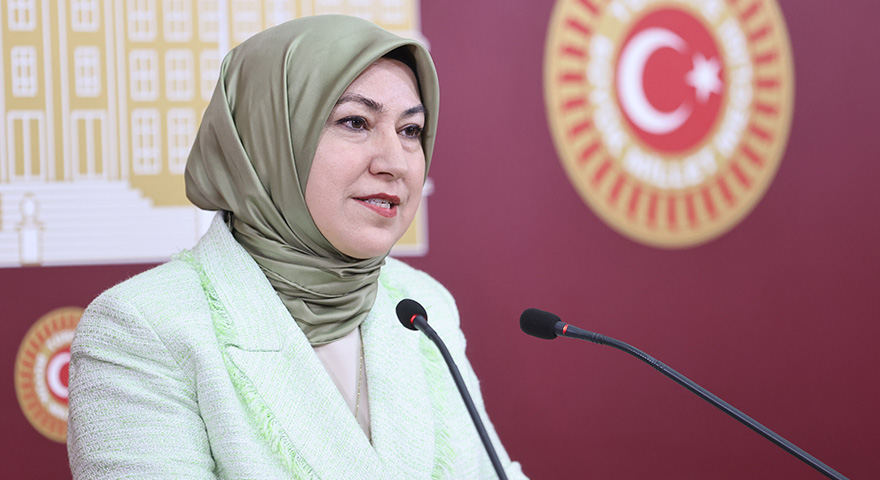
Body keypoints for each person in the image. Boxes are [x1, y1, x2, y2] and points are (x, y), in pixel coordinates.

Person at [67, 15, 527, 479]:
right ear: (268, 138)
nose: (396, 163)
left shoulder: (421, 305)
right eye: (355, 122)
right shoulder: (142, 328)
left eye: (410, 130)